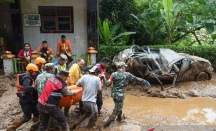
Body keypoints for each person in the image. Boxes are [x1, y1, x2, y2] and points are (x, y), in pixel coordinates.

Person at [104, 62, 151, 127]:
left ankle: (119, 119)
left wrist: (103, 79)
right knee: (116, 110)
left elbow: (107, 84)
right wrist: (145, 82)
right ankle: (105, 125)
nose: (125, 68)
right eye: (125, 67)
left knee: (118, 106)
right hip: (120, 95)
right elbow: (136, 79)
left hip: (114, 95)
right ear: (122, 67)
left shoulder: (113, 74)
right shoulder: (127, 75)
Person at [7, 63, 39, 131]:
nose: (35, 73)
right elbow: (27, 88)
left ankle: (35, 128)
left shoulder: (28, 76)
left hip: (30, 99)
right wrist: (34, 86)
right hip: (25, 100)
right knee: (27, 117)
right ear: (30, 71)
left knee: (36, 114)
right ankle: (11, 128)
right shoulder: (26, 78)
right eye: (34, 72)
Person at [71, 66, 102, 130]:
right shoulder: (97, 79)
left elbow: (77, 84)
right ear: (96, 72)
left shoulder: (84, 76)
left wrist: (85, 86)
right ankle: (90, 126)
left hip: (84, 100)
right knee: (95, 114)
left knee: (87, 113)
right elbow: (99, 90)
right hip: (91, 101)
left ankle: (75, 124)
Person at [30, 63, 55, 131]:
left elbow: (35, 87)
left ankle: (35, 127)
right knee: (52, 117)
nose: (54, 70)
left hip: (40, 100)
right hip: (48, 100)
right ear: (50, 70)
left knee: (43, 118)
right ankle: (52, 128)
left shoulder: (39, 76)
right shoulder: (51, 76)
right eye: (53, 69)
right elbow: (55, 88)